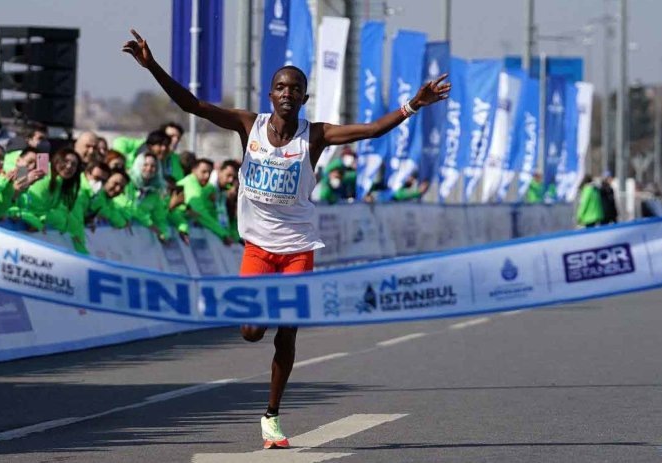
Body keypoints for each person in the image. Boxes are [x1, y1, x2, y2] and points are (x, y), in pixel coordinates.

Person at [123, 29, 450, 449]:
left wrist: (412, 105)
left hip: (298, 249)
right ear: (270, 93)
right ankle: (262, 360)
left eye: (295, 88)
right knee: (250, 331)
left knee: (286, 333)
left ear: (304, 98)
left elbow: (370, 131)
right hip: (258, 247)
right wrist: (152, 66)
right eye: (280, 86)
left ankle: (271, 416)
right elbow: (192, 105)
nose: (287, 93)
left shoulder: (314, 136)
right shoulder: (249, 125)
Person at [177, 158, 234, 245]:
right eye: (203, 172)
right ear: (193, 170)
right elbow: (200, 213)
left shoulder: (203, 189)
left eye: (209, 173)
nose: (207, 176)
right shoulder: (191, 185)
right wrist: (223, 234)